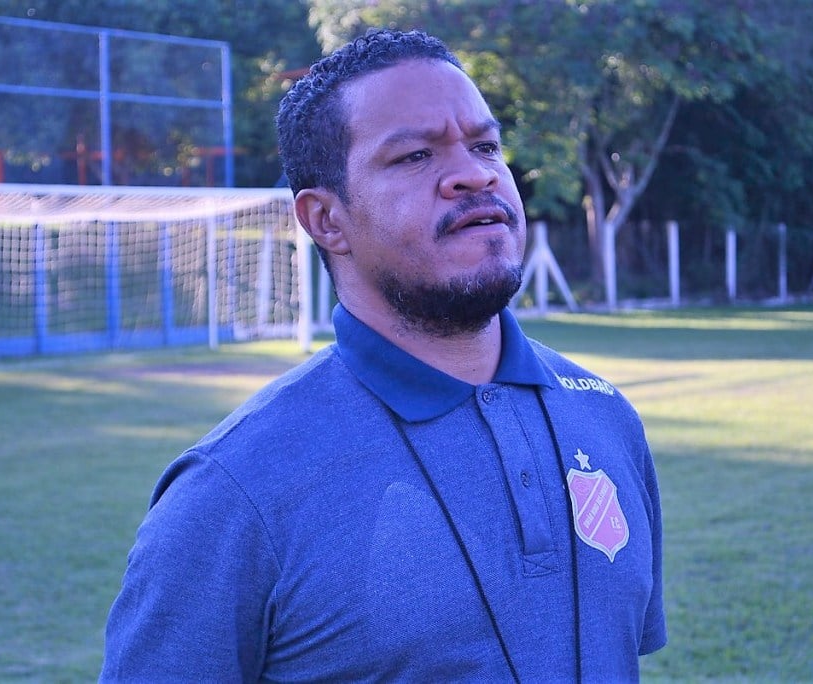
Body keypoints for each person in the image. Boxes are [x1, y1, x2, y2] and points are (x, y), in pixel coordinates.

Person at [101, 28, 666, 682]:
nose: (475, 173)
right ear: (326, 220)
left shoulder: (605, 418)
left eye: (486, 146)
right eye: (416, 155)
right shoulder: (230, 492)